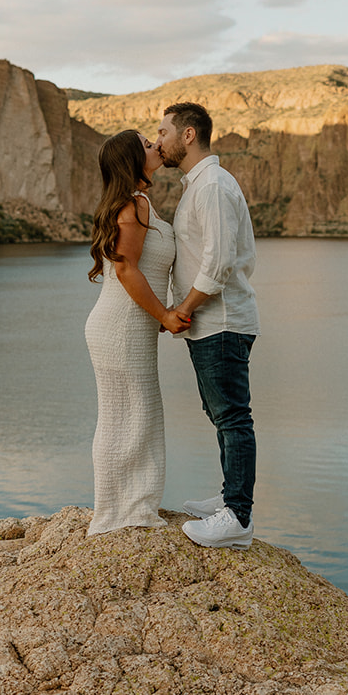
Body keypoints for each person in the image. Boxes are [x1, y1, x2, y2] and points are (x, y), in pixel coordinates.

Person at [156, 102, 259, 550]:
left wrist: (183, 309)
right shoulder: (199, 184)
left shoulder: (213, 185)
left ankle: (237, 516)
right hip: (209, 323)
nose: (158, 140)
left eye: (163, 132)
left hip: (220, 322)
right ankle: (228, 495)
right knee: (220, 414)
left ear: (188, 134)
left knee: (234, 417)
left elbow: (217, 264)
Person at [84, 130, 190, 537]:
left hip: (125, 325)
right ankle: (119, 513)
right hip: (120, 326)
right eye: (147, 145)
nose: (155, 147)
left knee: (128, 415)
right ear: (132, 160)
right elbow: (126, 269)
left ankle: (123, 509)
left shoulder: (138, 203)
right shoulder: (136, 204)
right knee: (128, 416)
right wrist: (164, 314)